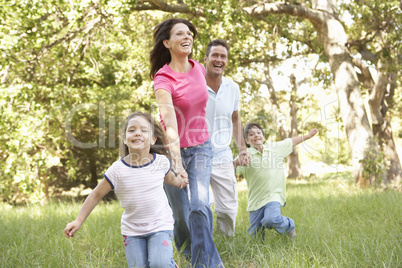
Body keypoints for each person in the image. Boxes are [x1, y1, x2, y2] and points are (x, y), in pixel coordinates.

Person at [64, 112, 188, 268]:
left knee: (159, 264)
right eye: (131, 130)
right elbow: (96, 195)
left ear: (153, 139)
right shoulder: (117, 170)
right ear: (124, 139)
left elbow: (170, 179)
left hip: (160, 225)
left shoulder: (160, 162)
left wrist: (180, 182)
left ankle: (168, 263)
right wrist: (78, 220)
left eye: (144, 130)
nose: (137, 133)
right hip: (133, 230)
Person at [150, 18, 224, 267]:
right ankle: (190, 255)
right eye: (180, 33)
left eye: (189, 33)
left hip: (202, 146)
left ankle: (206, 264)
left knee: (200, 205)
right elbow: (169, 121)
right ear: (167, 42)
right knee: (181, 214)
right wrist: (177, 163)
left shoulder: (199, 69)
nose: (187, 36)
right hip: (171, 152)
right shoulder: (163, 78)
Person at [234, 122, 318, 239]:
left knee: (271, 219)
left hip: (274, 195)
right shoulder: (245, 155)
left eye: (259, 133)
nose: (256, 135)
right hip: (256, 200)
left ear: (263, 136)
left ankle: (289, 225)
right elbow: (230, 169)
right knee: (255, 238)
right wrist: (237, 163)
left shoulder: (274, 148)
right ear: (247, 141)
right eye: (251, 134)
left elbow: (291, 141)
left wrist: (308, 136)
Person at [204, 39, 250, 237]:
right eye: (215, 55)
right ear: (205, 59)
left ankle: (226, 244)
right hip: (197, 154)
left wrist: (243, 149)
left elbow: (235, 119)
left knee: (228, 208)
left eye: (223, 56)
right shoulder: (194, 84)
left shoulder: (233, 88)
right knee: (199, 205)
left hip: (222, 155)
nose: (219, 59)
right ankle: (202, 244)